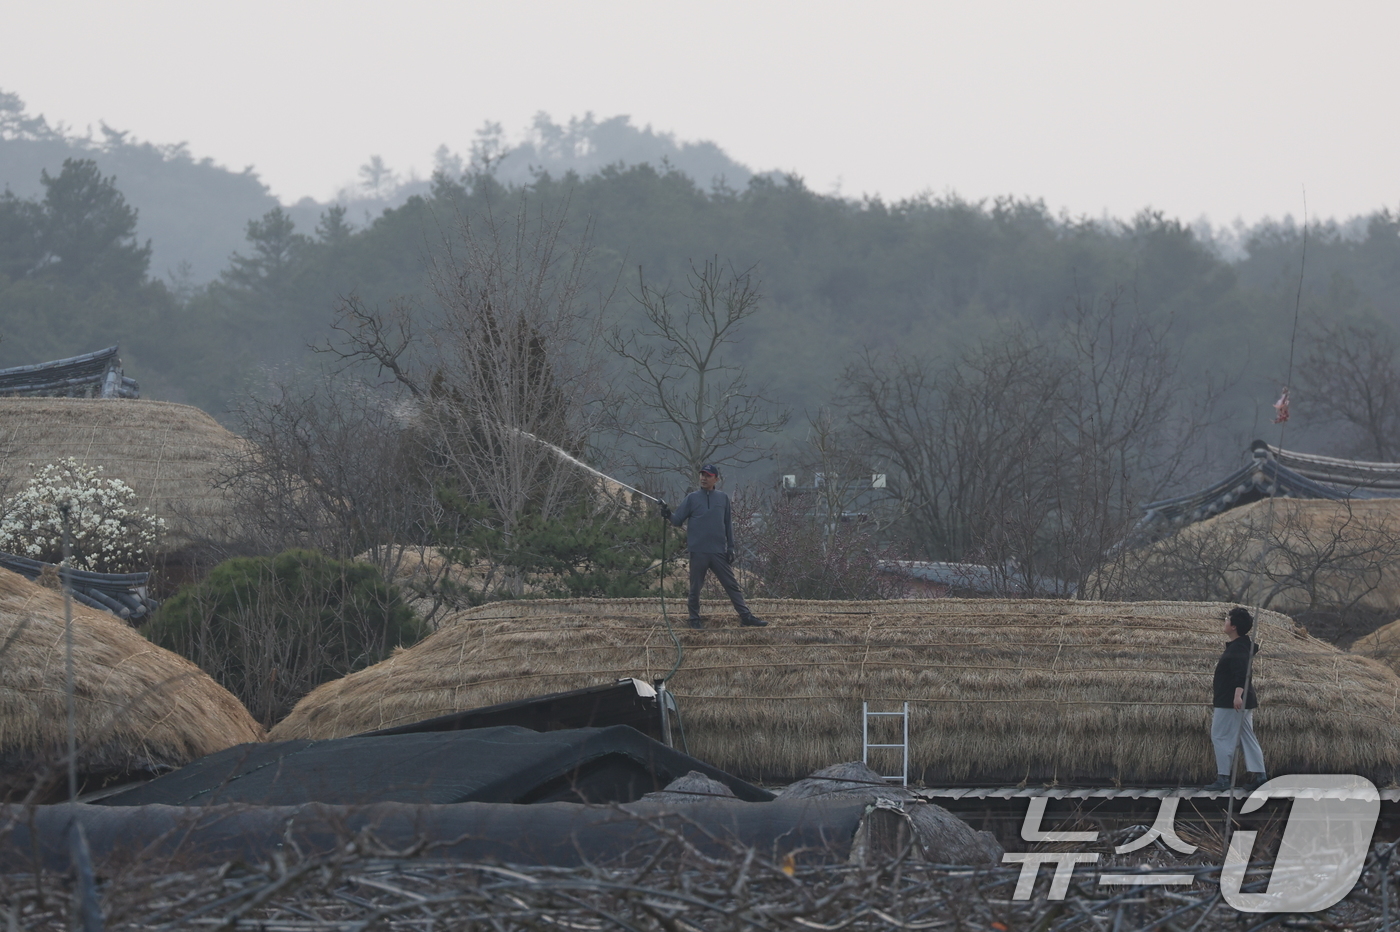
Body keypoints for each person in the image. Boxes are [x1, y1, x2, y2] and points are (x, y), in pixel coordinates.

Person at [660, 464, 766, 629]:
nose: (703, 478)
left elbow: (728, 524)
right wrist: (667, 514)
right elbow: (677, 520)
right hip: (698, 551)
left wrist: (731, 547)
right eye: (702, 475)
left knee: (731, 585)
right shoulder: (692, 498)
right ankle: (694, 620)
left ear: (716, 479)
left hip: (718, 551)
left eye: (708, 475)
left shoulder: (723, 498)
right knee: (695, 588)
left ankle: (746, 617)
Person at [1204, 606, 1267, 791]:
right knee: (1247, 737)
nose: (1225, 622)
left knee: (1220, 736)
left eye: (1227, 619)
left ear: (1234, 626)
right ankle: (1261, 776)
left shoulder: (1238, 648)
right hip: (1241, 701)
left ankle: (1223, 778)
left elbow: (1242, 674)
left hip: (1230, 701)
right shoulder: (1241, 646)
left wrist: (1237, 696)